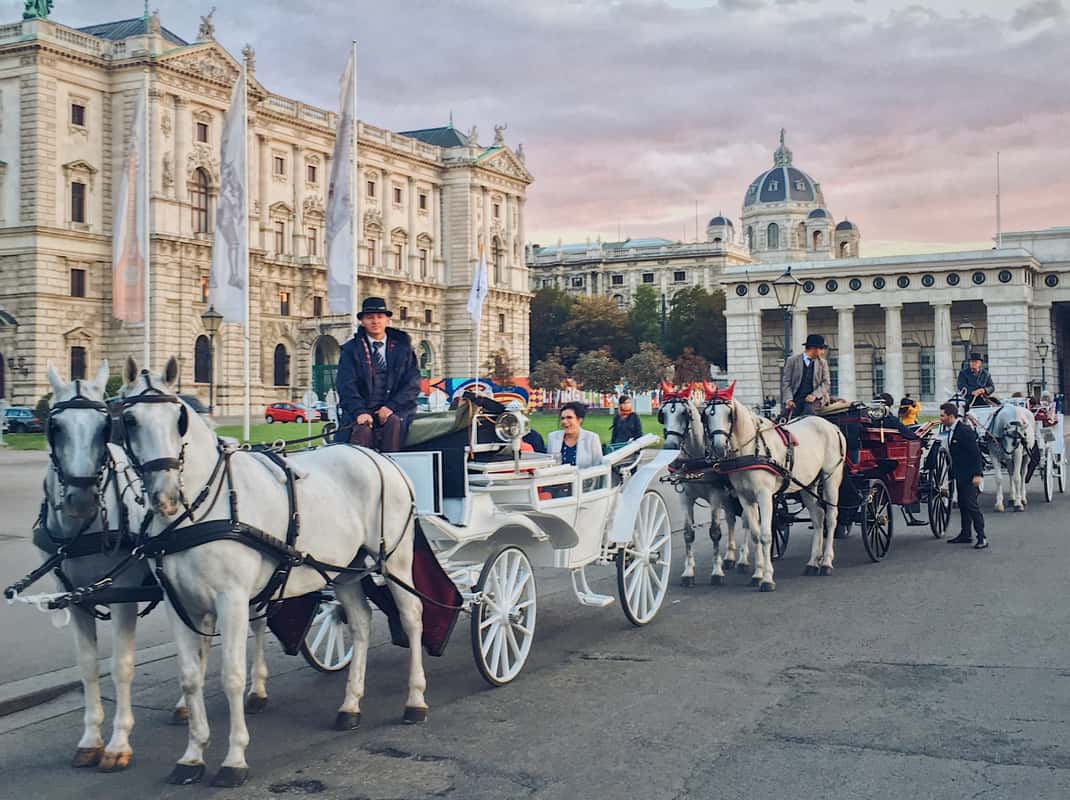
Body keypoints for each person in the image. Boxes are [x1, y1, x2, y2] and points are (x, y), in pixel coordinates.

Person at [335, 296, 420, 452]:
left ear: (387, 319)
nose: (375, 321)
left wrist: (390, 407)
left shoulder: (403, 348)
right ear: (362, 321)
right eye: (370, 317)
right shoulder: (351, 350)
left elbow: (412, 384)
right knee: (362, 430)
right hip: (361, 410)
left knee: (393, 423)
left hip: (396, 410)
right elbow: (346, 386)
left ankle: (392, 467)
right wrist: (360, 412)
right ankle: (360, 473)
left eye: (379, 317)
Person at [940, 402, 987, 549]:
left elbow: (976, 454)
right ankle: (966, 534)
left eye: (942, 415)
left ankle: (982, 536)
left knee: (972, 506)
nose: (940, 418)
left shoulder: (964, 431)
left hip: (970, 475)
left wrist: (978, 474)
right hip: (960, 474)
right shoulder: (950, 430)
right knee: (963, 505)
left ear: (951, 416)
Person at [781, 334, 831, 418]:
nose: (823, 352)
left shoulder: (822, 363)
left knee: (807, 414)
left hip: (816, 399)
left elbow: (826, 383)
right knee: (784, 418)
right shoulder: (792, 361)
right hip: (796, 398)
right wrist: (788, 399)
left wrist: (814, 395)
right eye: (821, 349)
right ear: (813, 349)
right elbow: (786, 382)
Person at [547, 401, 602, 468]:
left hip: (584, 477)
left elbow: (598, 467)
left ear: (579, 420)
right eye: (562, 418)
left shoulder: (592, 439)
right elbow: (549, 466)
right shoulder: (553, 437)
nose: (564, 421)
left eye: (569, 417)